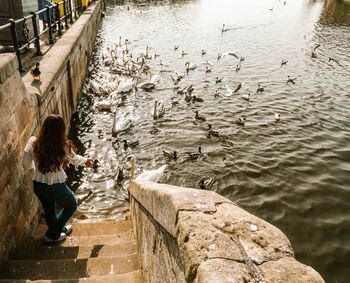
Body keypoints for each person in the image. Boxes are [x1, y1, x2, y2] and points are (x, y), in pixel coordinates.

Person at [22, 114, 93, 243]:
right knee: (71, 205)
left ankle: (59, 228)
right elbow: (75, 160)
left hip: (38, 185)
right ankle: (53, 235)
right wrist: (87, 160)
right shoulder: (64, 146)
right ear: (61, 131)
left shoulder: (33, 142)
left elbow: (26, 165)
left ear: (44, 128)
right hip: (56, 186)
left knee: (49, 209)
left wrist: (36, 172)